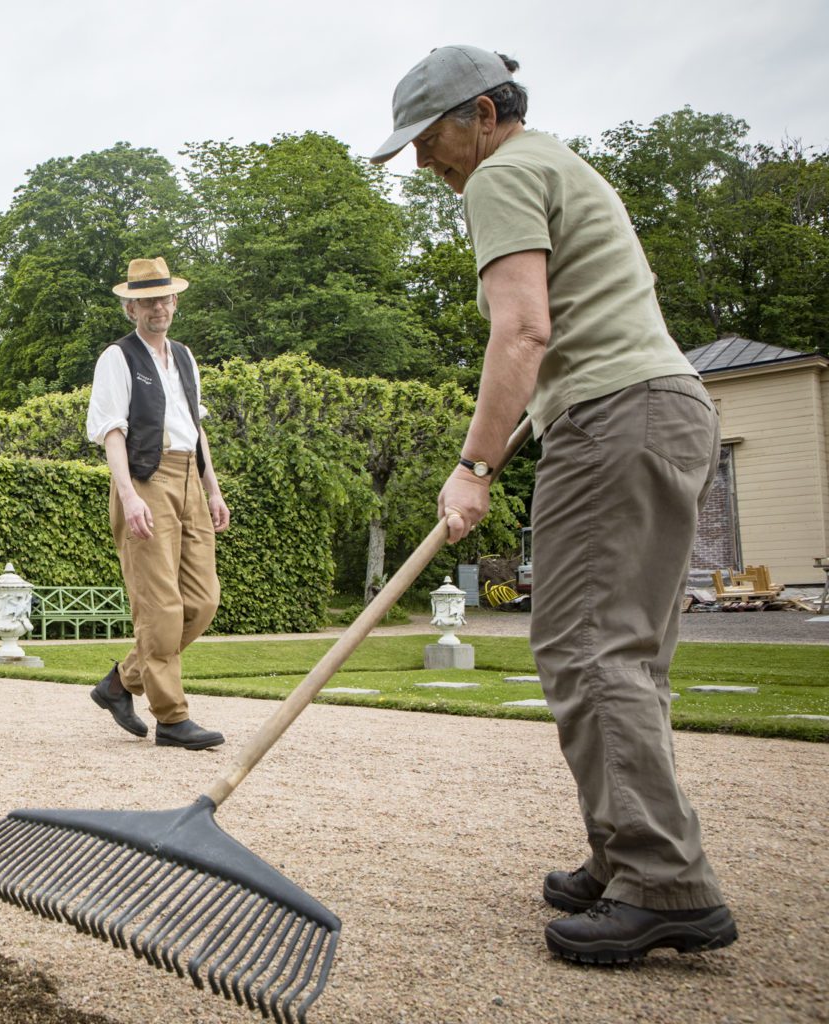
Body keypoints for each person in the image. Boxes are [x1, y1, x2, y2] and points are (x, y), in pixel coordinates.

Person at [370, 46, 736, 963]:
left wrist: (475, 466)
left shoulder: (501, 177)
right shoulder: (556, 161)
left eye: (430, 137)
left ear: (483, 115)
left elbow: (524, 328)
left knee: (585, 644)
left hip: (615, 417)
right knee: (628, 651)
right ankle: (626, 853)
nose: (424, 163)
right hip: (664, 409)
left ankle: (661, 879)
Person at [84, 257, 230, 751]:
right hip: (145, 479)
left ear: (175, 301)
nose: (158, 307)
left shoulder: (185, 356)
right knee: (161, 608)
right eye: (147, 300)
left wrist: (213, 488)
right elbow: (111, 431)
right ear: (131, 307)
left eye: (164, 298)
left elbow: (196, 425)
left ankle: (118, 684)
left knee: (203, 601)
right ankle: (171, 717)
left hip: (191, 477)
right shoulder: (117, 358)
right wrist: (128, 495)